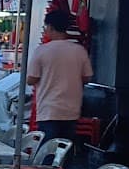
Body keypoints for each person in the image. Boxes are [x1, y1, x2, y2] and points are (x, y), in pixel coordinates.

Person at [26, 8, 93, 141]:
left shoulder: (42, 51)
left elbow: (31, 79)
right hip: (71, 110)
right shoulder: (79, 51)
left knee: (48, 148)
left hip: (48, 110)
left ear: (50, 27)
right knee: (65, 148)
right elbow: (86, 78)